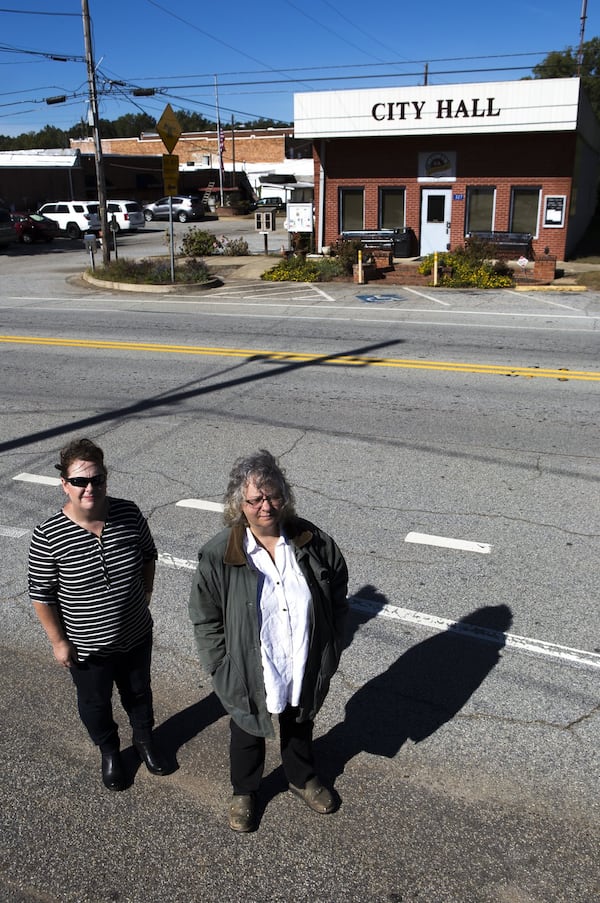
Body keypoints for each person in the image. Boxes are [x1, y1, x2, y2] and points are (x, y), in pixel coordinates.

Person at [188, 450, 348, 832]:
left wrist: (333, 643)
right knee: (246, 727)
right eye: (255, 499)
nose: (266, 506)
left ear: (285, 496)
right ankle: (244, 791)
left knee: (300, 720)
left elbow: (338, 591)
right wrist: (218, 665)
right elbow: (204, 616)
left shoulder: (313, 541)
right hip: (248, 664)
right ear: (238, 504)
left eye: (273, 495)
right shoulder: (219, 553)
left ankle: (301, 777)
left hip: (301, 656)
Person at [28, 437, 169, 791]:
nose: (89, 488)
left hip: (136, 635)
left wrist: (147, 592)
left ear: (106, 479)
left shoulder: (128, 512)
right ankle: (109, 751)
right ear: (65, 484)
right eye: (80, 481)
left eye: (97, 479)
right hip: (87, 646)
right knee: (94, 704)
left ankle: (144, 741)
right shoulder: (48, 535)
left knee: (139, 693)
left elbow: (149, 555)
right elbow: (41, 595)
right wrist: (59, 642)